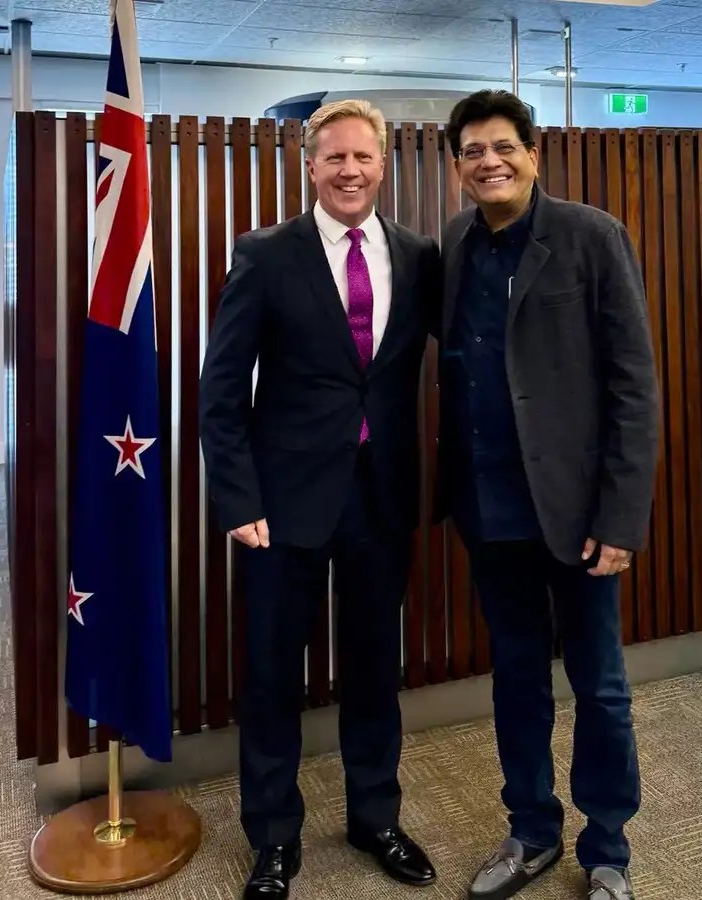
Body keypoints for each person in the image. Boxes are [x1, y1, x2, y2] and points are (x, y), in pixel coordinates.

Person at [199, 99, 440, 900]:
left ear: (384, 165)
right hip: (282, 506)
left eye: (363, 158)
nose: (349, 171)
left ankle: (375, 817)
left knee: (375, 669)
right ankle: (273, 838)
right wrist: (236, 499)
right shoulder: (265, 255)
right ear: (309, 166)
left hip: (380, 501)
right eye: (333, 158)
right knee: (272, 677)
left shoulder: (414, 254)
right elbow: (222, 390)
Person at [435, 90, 661, 900]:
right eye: (472, 151)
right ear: (456, 166)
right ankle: (531, 830)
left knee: (599, 683)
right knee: (517, 678)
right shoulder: (457, 241)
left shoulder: (592, 236)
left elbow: (634, 387)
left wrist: (622, 515)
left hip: (579, 515)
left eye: (503, 147)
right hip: (489, 508)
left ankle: (608, 851)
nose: (488, 162)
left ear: (534, 153)